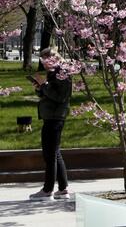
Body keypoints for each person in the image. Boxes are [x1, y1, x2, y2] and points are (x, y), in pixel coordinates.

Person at [29, 47, 72, 201]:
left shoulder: (62, 73)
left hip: (55, 117)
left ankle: (48, 191)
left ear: (54, 58)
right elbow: (48, 92)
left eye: (46, 61)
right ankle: (63, 188)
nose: (45, 64)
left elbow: (60, 97)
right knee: (55, 153)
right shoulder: (54, 72)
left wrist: (44, 86)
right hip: (51, 116)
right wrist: (39, 87)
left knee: (50, 155)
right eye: (43, 61)